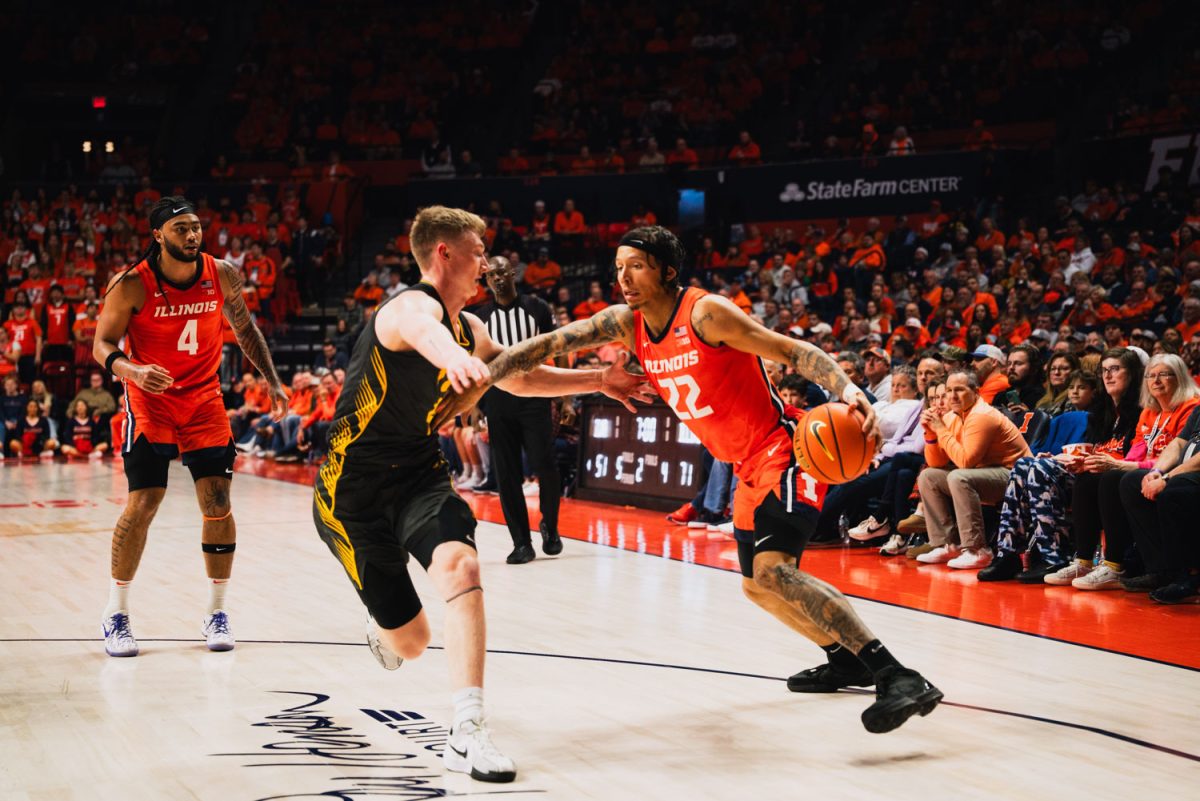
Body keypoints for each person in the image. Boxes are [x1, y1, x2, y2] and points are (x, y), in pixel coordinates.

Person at [481, 225, 943, 734]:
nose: (623, 278)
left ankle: (897, 675)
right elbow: (545, 345)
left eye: (635, 265)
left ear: (668, 270)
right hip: (744, 468)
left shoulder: (705, 313)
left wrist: (850, 388)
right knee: (757, 588)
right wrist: (480, 375)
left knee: (774, 572)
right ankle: (843, 658)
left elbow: (791, 351)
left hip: (781, 451)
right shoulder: (625, 323)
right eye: (618, 267)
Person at [311, 206, 650, 783]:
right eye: (477, 250)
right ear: (443, 253)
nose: (486, 263)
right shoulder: (408, 309)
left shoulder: (472, 329)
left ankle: (467, 729)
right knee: (411, 642)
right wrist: (457, 362)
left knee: (462, 565)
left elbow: (517, 377)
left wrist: (598, 379)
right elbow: (427, 336)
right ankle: (384, 623)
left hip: (419, 473)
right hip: (352, 491)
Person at [93, 196, 288, 658]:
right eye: (181, 229)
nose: (192, 235)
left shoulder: (221, 273)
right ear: (158, 235)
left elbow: (244, 329)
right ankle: (115, 612)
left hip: (203, 398)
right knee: (145, 501)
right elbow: (101, 344)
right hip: (150, 398)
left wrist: (273, 381)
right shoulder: (131, 284)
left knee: (217, 502)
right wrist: (133, 371)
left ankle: (217, 611)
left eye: (197, 227)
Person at [1047, 352, 1200, 589]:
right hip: (1150, 470)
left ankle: (1115, 564)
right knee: (1090, 478)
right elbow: (1137, 453)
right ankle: (1084, 560)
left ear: (1179, 377)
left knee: (1113, 478)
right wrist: (1110, 463)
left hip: (1177, 472)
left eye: (1163, 375)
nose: (1156, 380)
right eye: (1151, 375)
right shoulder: (1149, 412)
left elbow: (1180, 454)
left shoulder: (1190, 407)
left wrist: (1137, 469)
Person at [473, 255, 564, 563]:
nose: (497, 278)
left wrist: (566, 397)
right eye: (491, 275)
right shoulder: (480, 317)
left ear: (513, 273)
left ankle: (550, 526)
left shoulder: (537, 307)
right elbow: (476, 362)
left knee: (545, 464)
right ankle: (521, 543)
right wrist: (474, 405)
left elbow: (559, 347)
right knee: (506, 473)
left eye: (502, 272)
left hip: (536, 395)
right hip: (497, 400)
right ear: (486, 281)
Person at [915, 369, 1031, 570]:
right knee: (928, 476)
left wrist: (940, 429)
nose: (952, 396)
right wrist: (930, 433)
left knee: (959, 477)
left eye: (959, 390)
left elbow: (965, 462)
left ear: (975, 391)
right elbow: (936, 463)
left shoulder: (981, 415)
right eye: (949, 390)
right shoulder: (953, 416)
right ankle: (947, 544)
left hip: (1016, 476)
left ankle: (978, 550)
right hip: (987, 472)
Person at [1120, 404, 1200, 602]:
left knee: (1174, 491)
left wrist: (1167, 479)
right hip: (1183, 474)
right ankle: (1160, 569)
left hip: (1192, 475)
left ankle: (1186, 577)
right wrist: (1156, 472)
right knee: (1132, 481)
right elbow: (1178, 444)